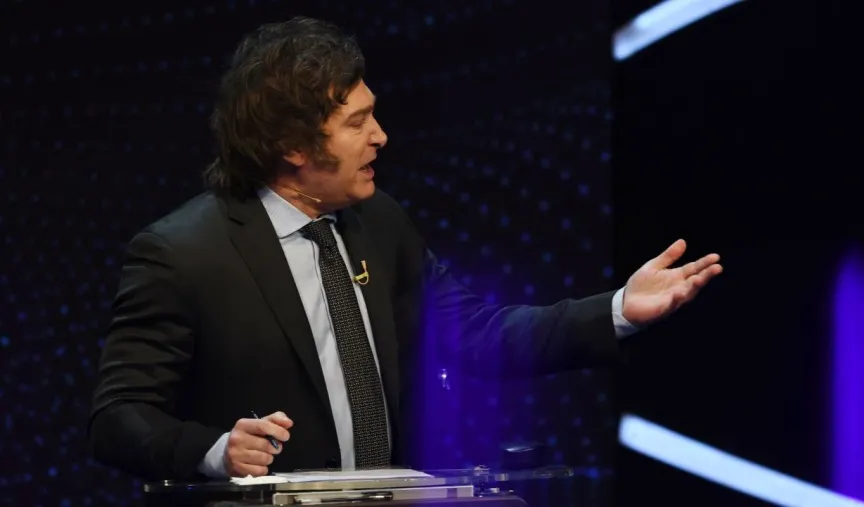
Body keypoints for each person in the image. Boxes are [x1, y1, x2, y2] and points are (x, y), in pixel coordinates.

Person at [88, 16, 722, 482]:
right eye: (357, 122)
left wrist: (617, 309)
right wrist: (215, 450)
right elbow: (120, 418)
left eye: (374, 114)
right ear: (293, 146)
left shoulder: (380, 222)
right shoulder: (184, 253)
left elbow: (477, 335)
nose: (381, 136)